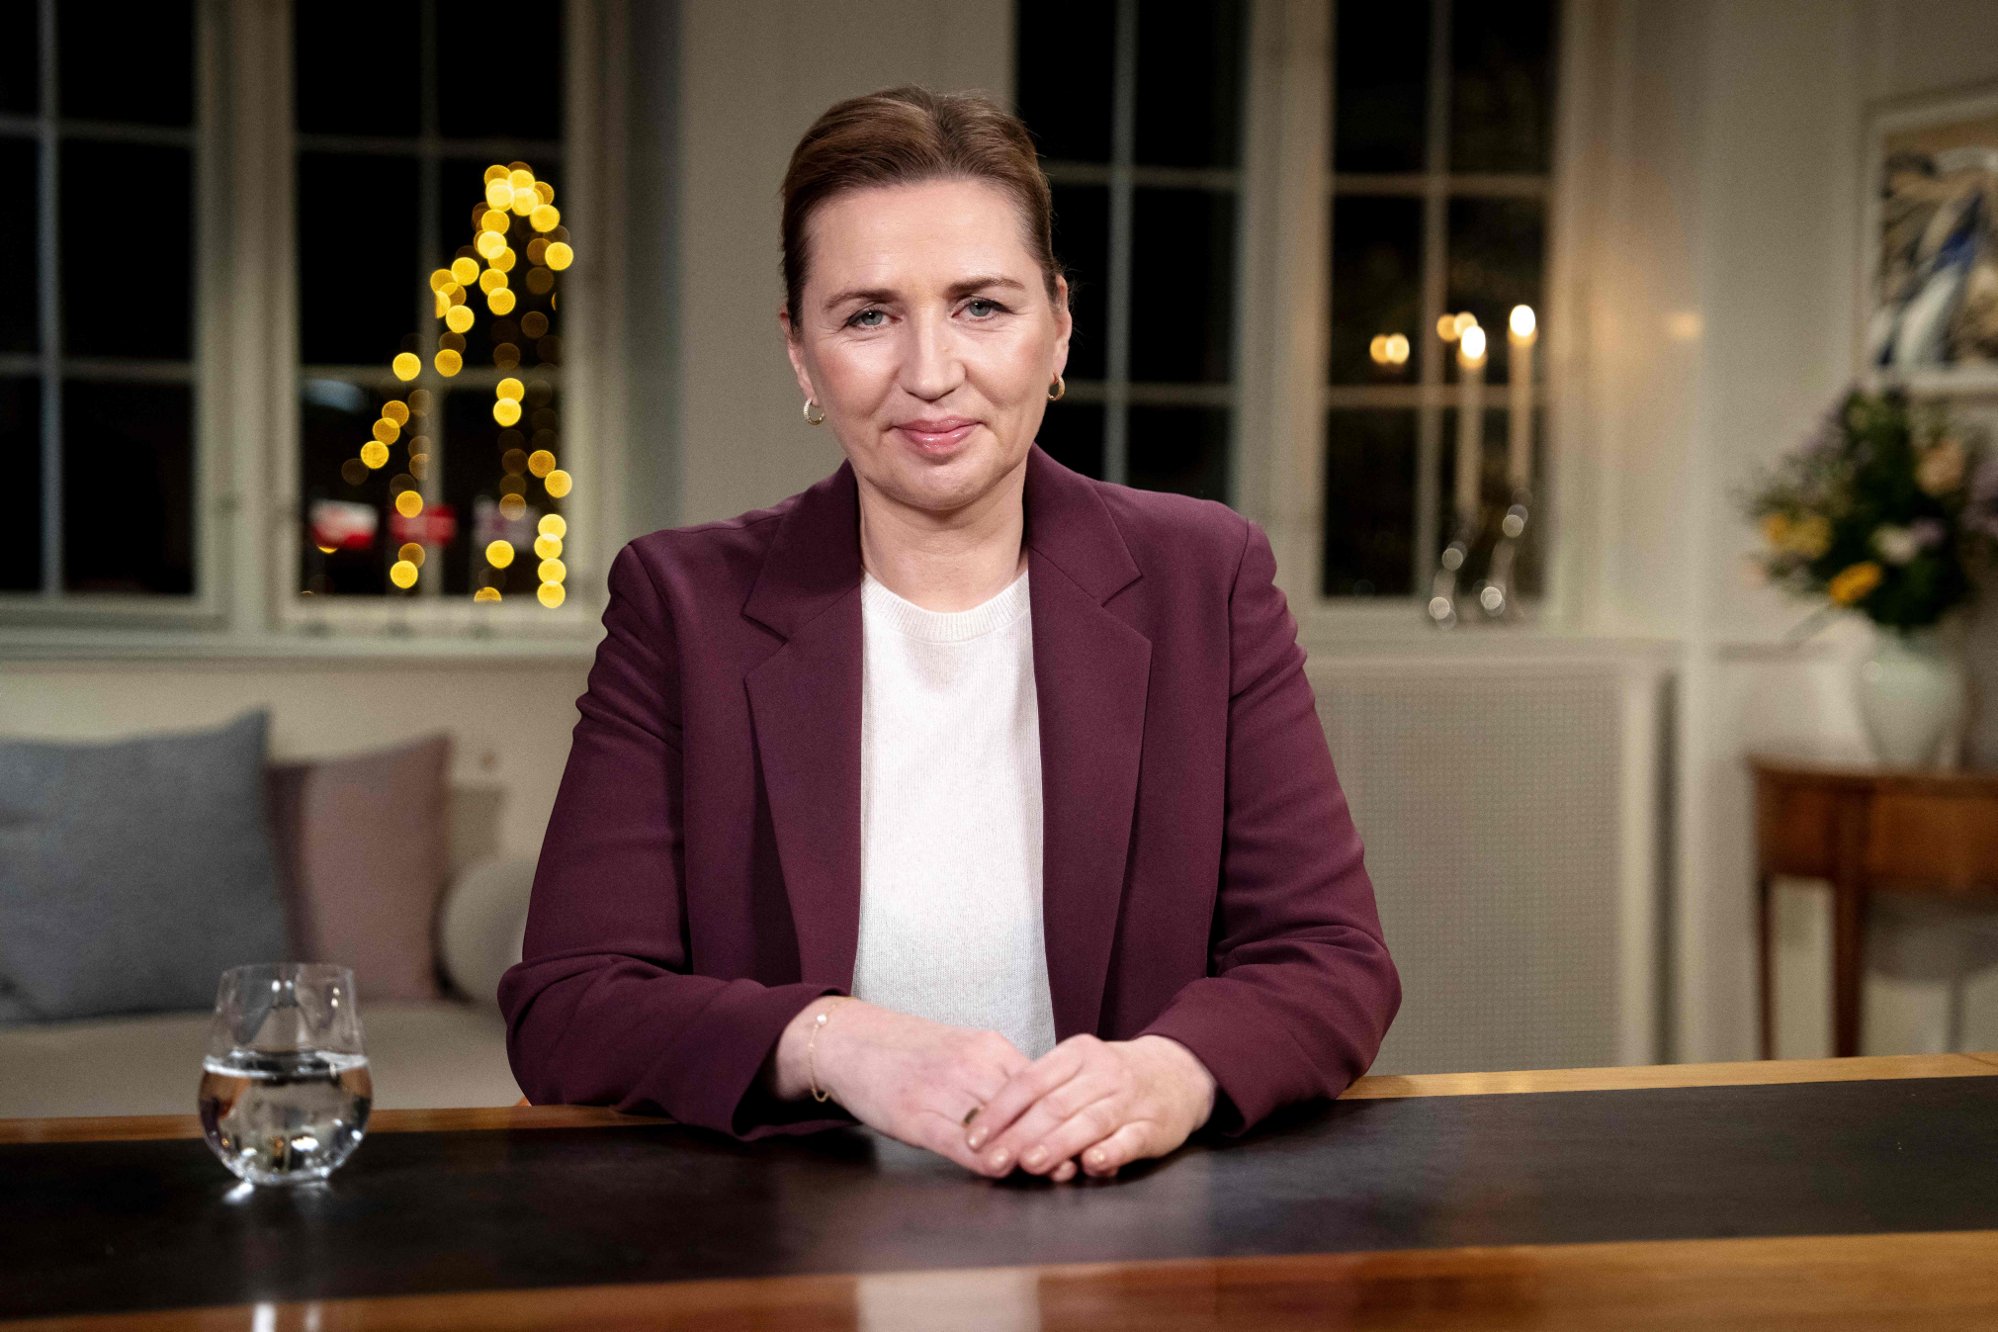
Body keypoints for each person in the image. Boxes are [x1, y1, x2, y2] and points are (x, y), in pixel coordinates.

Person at [499, 85, 1399, 1184]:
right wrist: (832, 1041)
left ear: (1058, 325)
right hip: (791, 1262)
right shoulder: (680, 605)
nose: (931, 372)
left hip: (1128, 1250)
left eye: (981, 305)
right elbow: (569, 1008)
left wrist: (1172, 1070)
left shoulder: (1205, 577)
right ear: (799, 352)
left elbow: (1330, 961)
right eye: (868, 315)